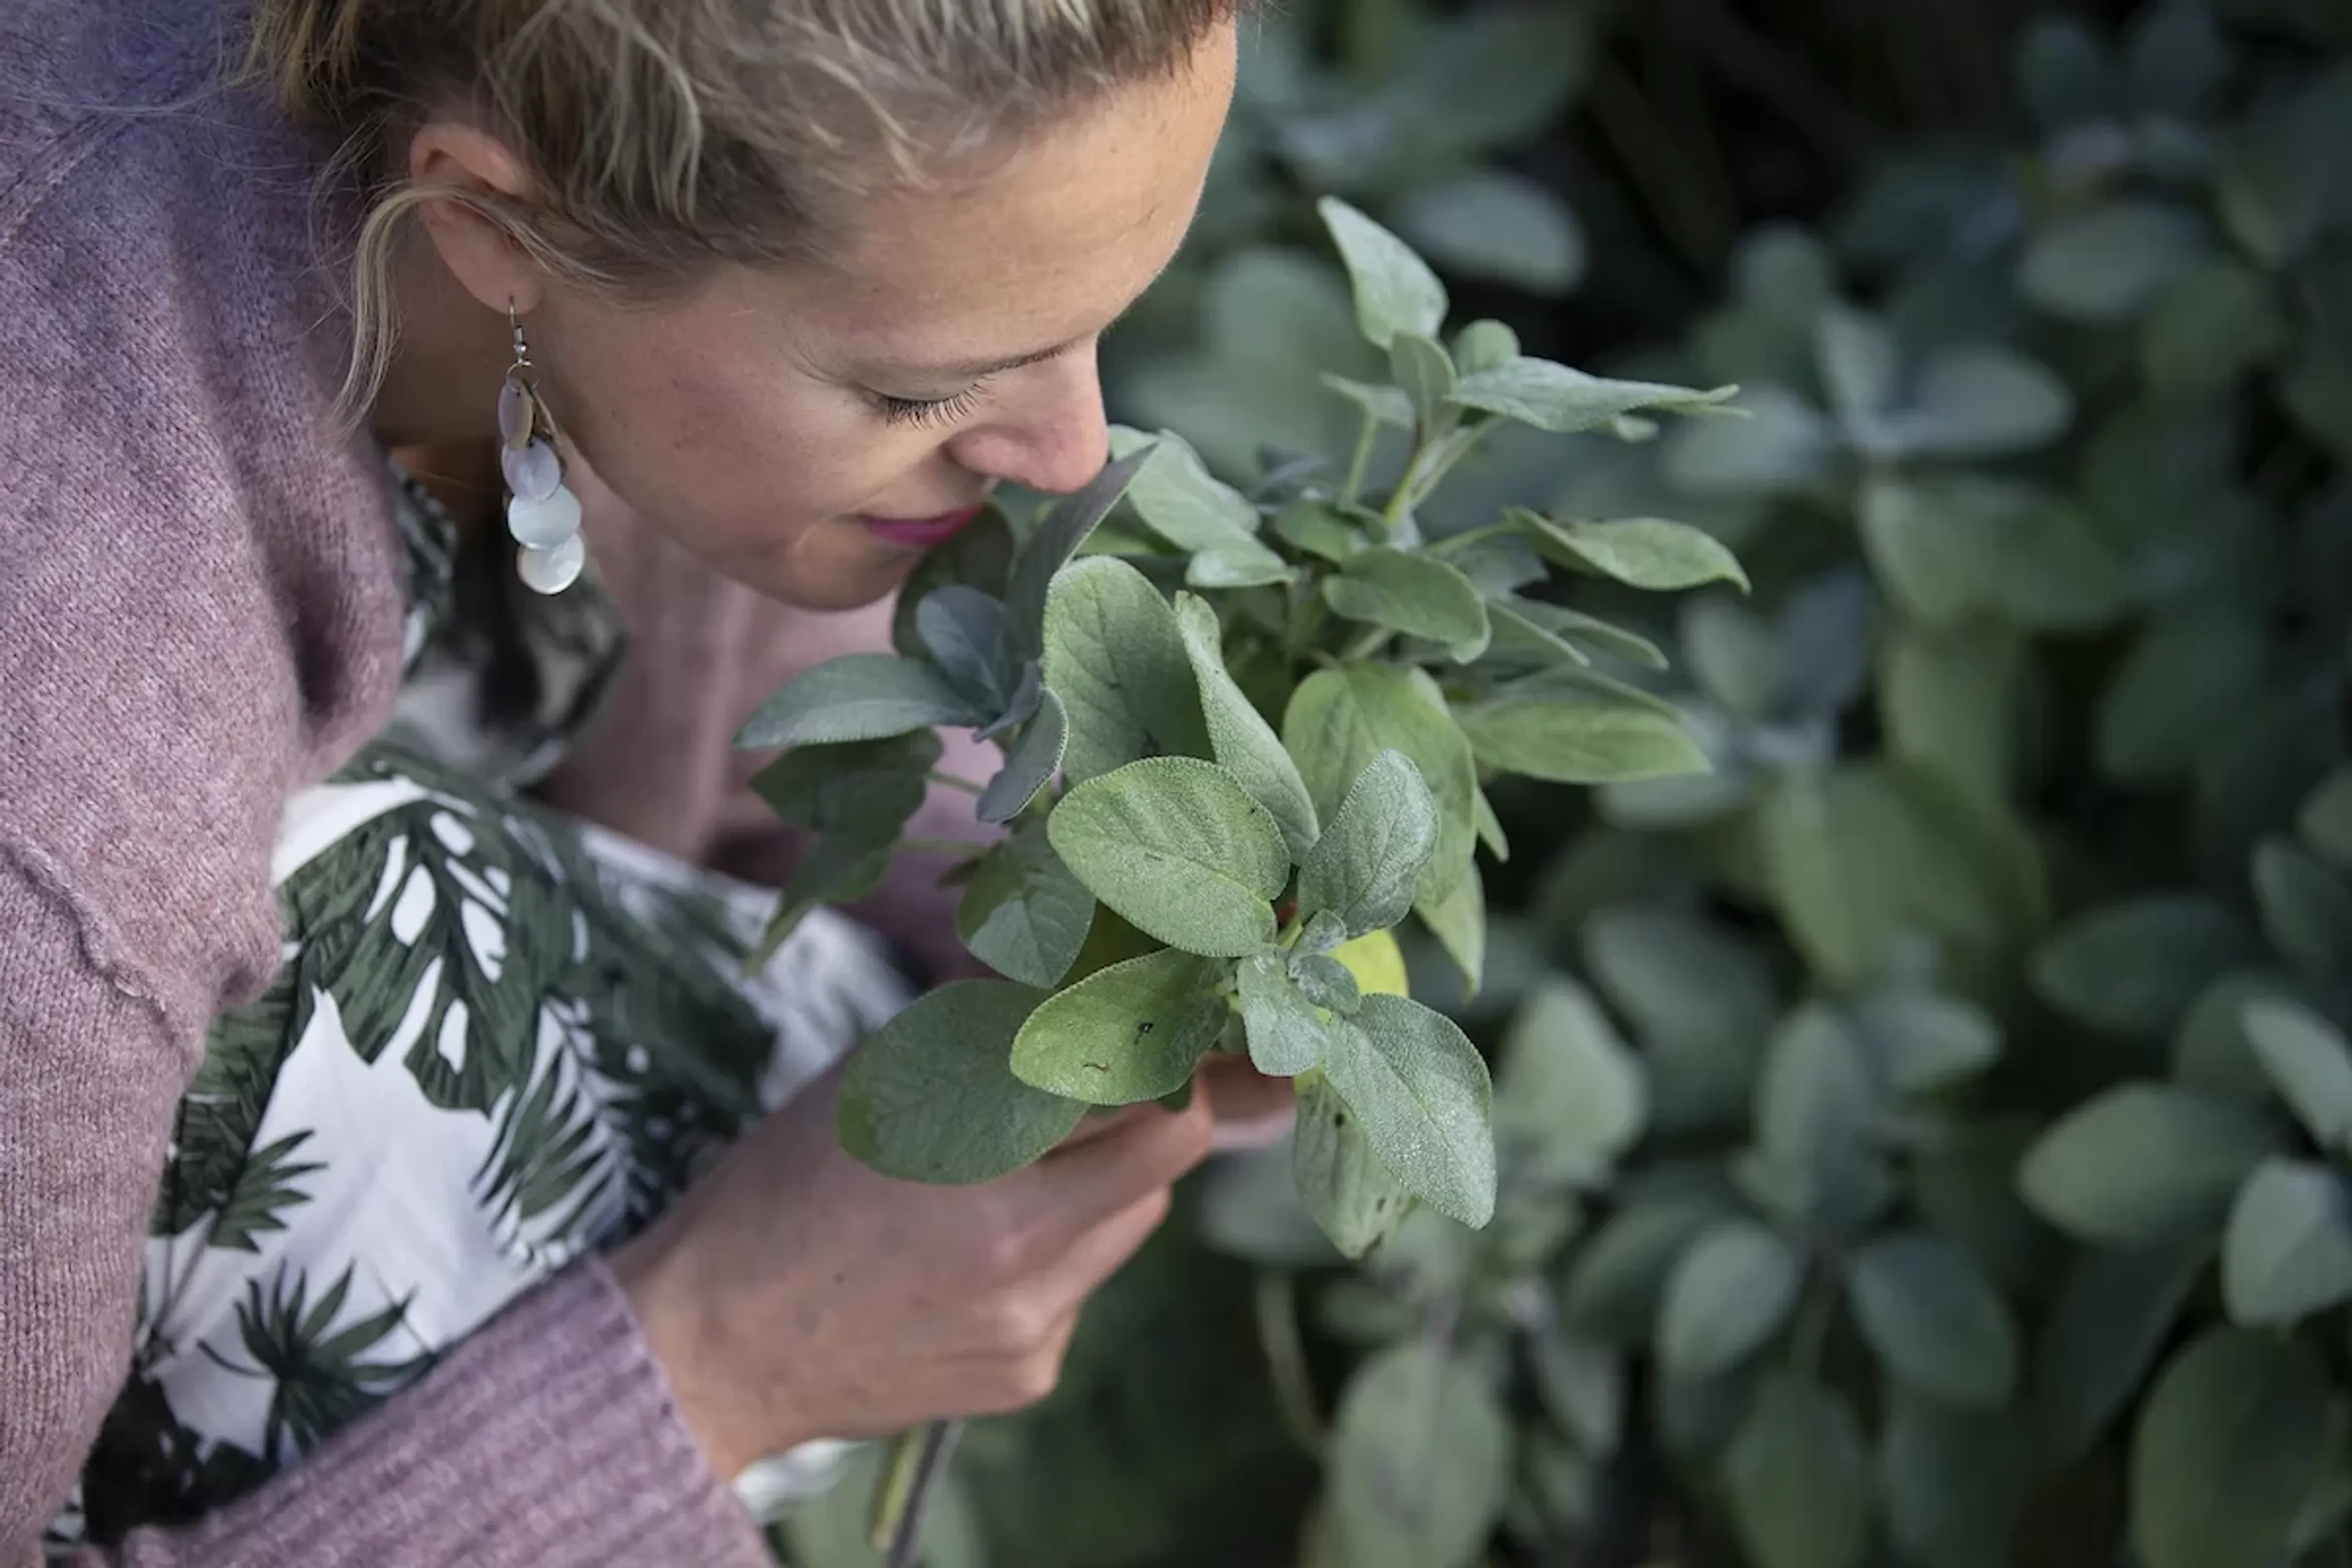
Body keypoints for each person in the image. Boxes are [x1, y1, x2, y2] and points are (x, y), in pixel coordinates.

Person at [0, 0, 1291, 1561]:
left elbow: (749, 649)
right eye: (918, 393)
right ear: (489, 220)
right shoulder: (60, 805)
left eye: (1100, 316)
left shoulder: (610, 287)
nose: (1080, 454)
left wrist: (1110, 912)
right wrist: (719, 1365)